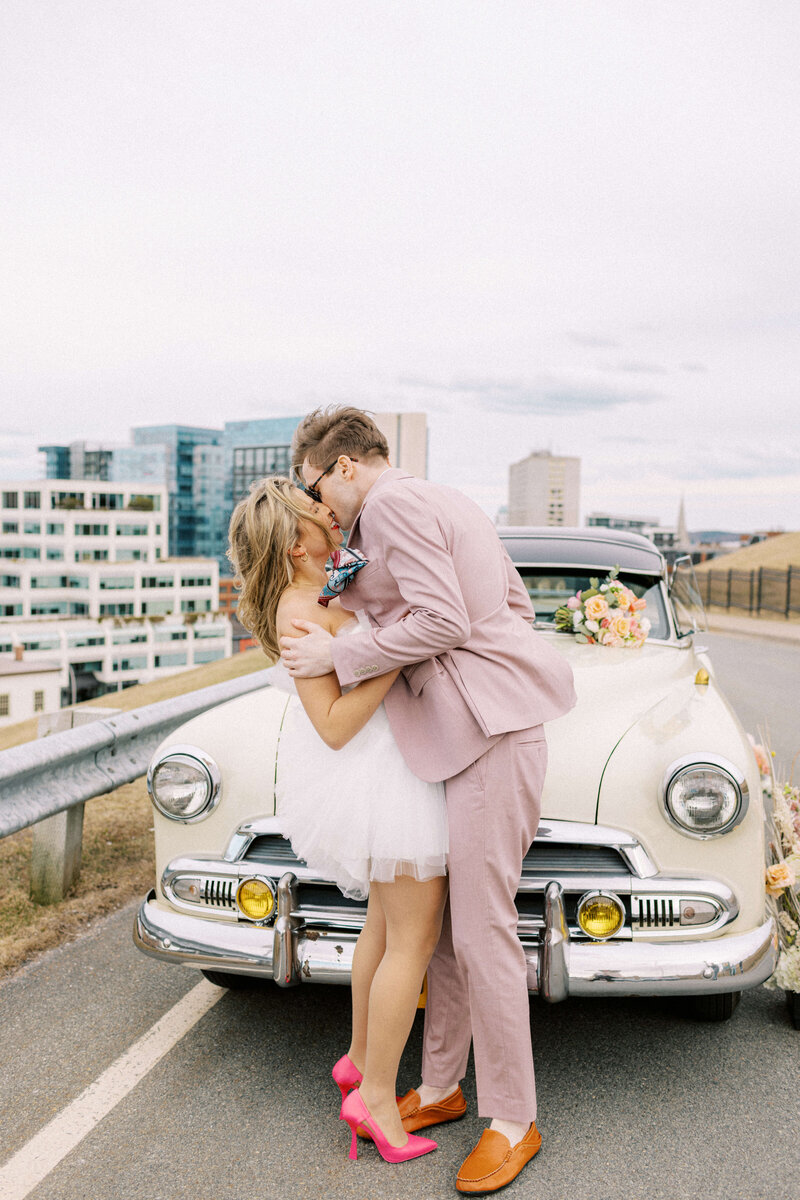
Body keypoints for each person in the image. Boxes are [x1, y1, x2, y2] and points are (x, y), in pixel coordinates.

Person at [280, 406, 577, 1196]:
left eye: (318, 486)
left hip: (488, 733)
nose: (322, 508)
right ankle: (442, 1085)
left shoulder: (396, 505)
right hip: (467, 732)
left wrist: (341, 650)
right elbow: (505, 607)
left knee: (481, 933)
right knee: (446, 930)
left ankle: (513, 1119)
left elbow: (443, 619)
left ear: (344, 466)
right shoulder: (440, 500)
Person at [226, 476, 448, 1163]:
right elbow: (333, 726)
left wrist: (371, 641)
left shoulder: (317, 591)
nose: (327, 510)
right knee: (412, 943)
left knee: (384, 931)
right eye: (311, 511)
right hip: (382, 773)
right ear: (296, 544)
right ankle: (376, 1097)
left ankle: (357, 1060)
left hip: (388, 767)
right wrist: (392, 651)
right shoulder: (301, 613)